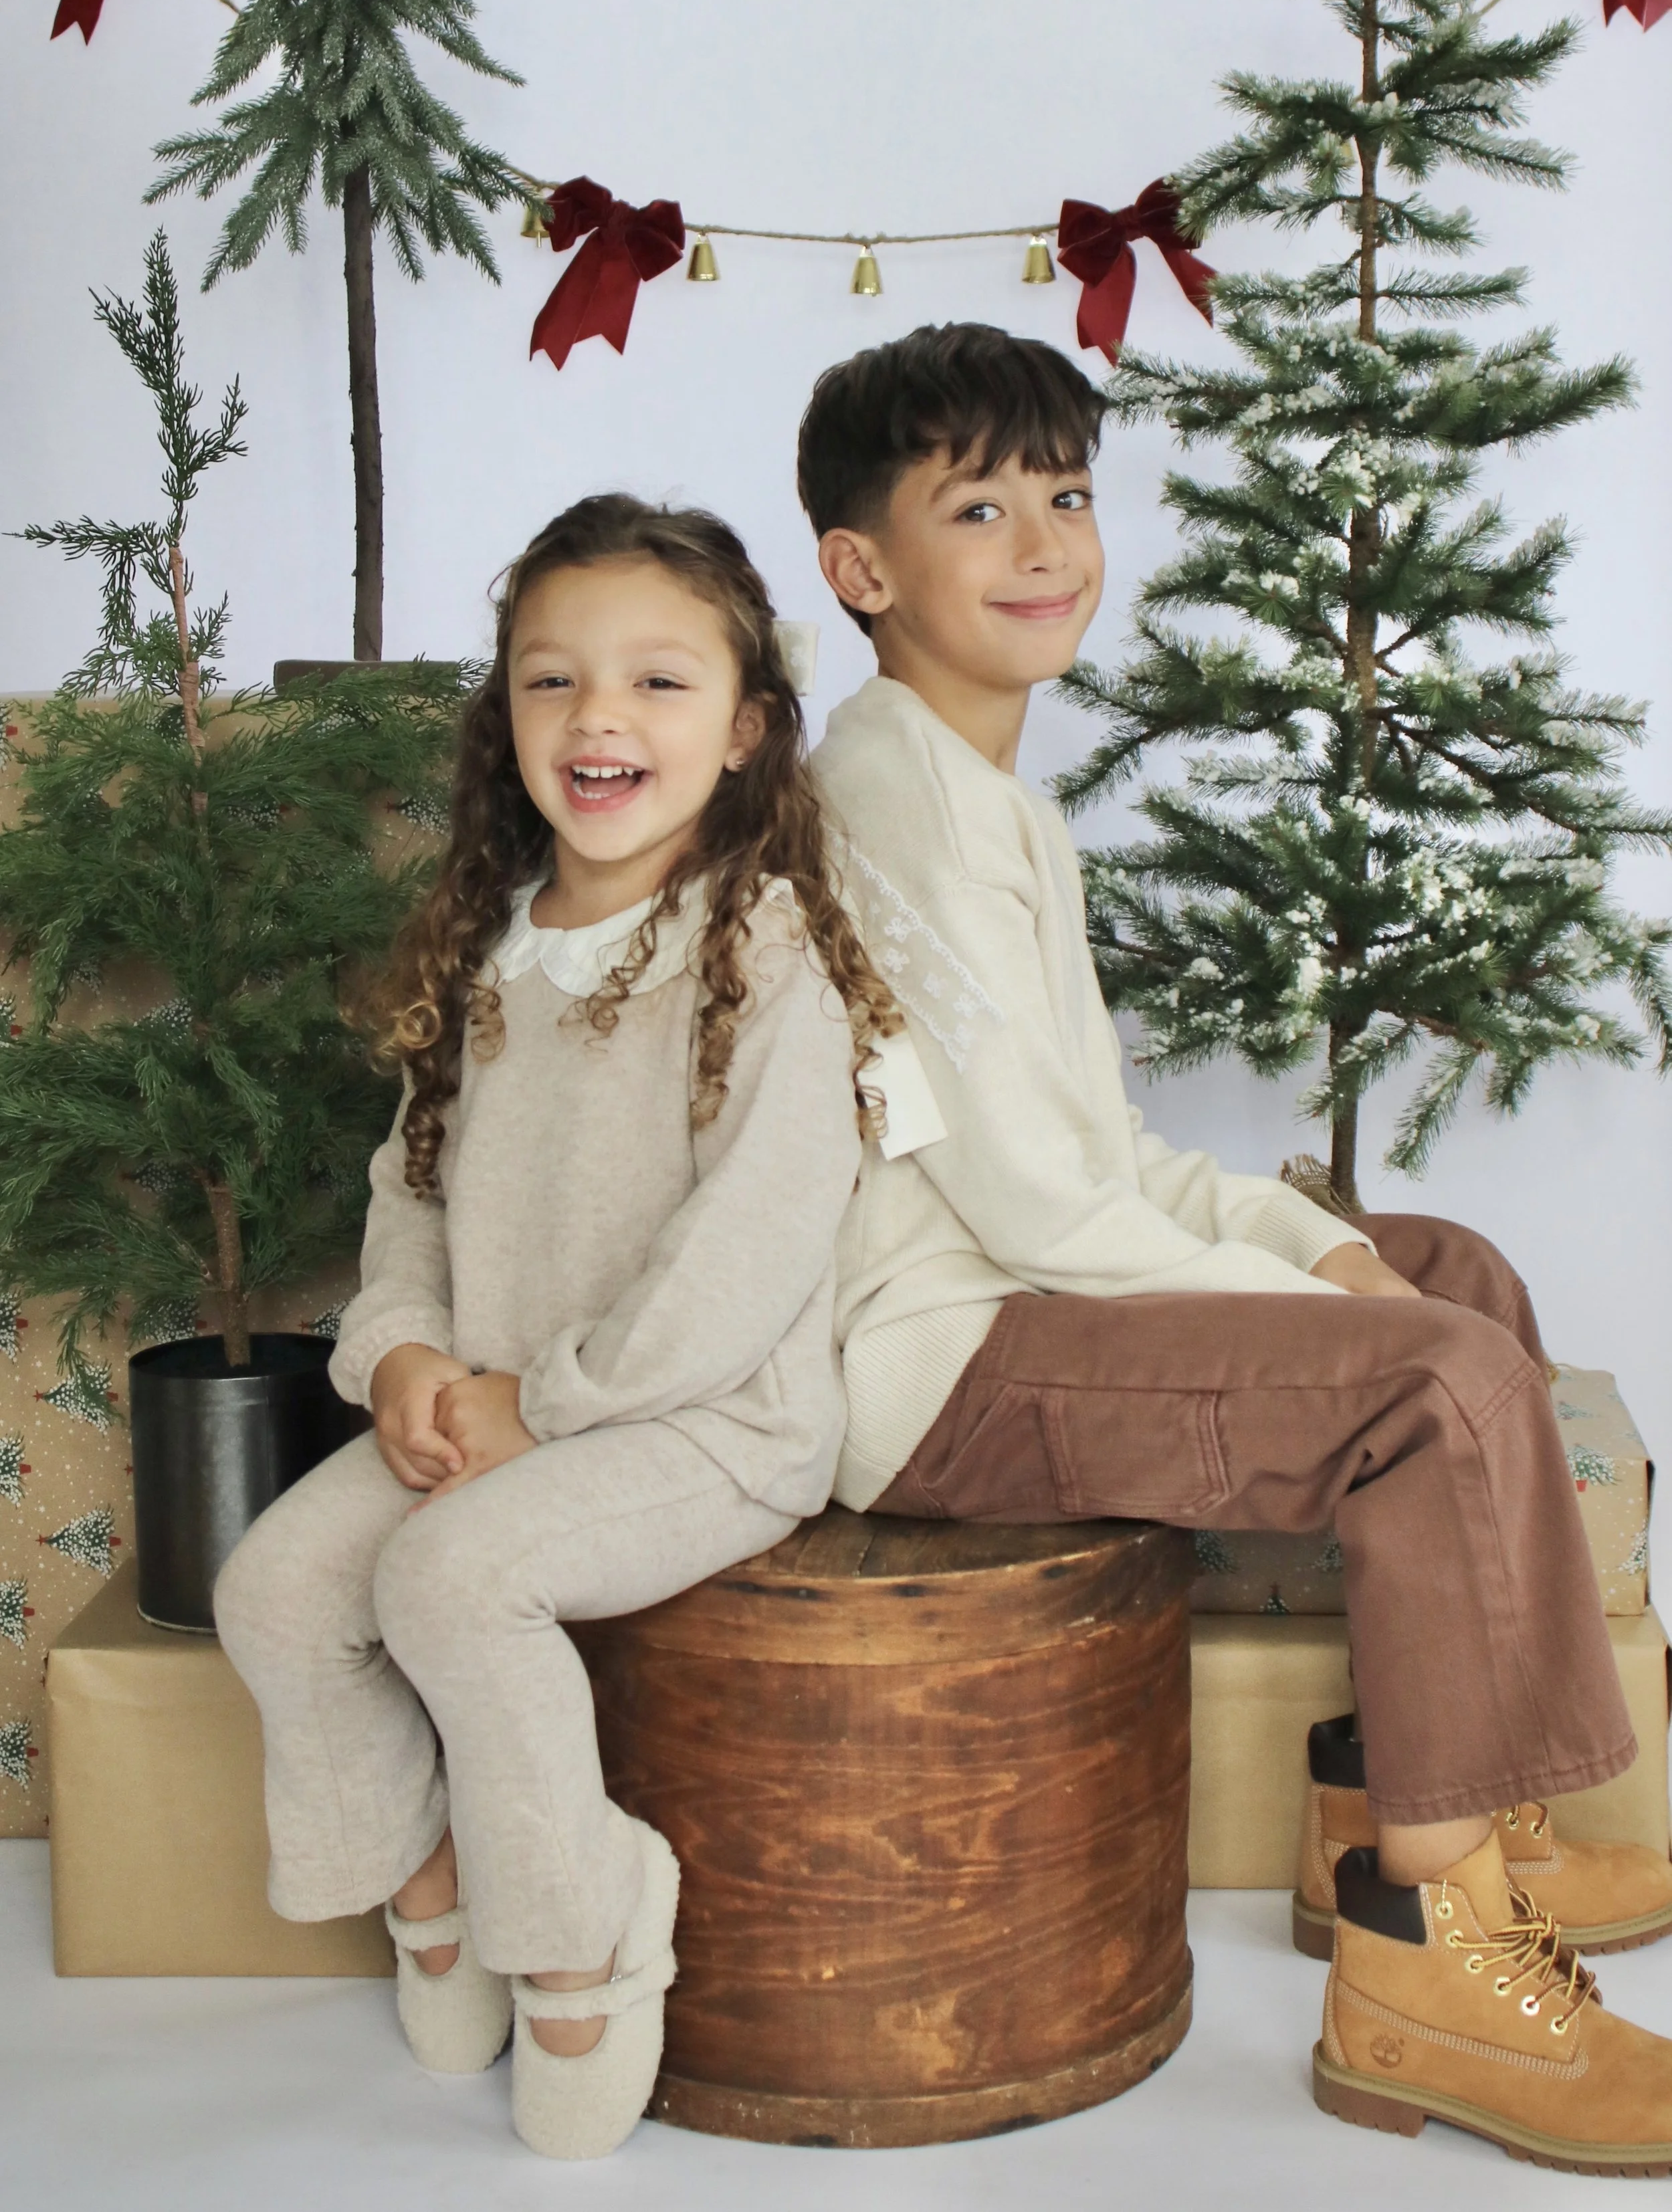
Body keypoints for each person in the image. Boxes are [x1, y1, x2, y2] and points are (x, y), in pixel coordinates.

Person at [800, 320, 1672, 2175]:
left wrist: (1327, 1251)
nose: (1044, 541)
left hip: (1033, 1286)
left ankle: (1411, 1814)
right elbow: (1036, 1211)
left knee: (1451, 1280)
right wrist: (1318, 1297)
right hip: (943, 1351)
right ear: (860, 571)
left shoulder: (996, 796)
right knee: (1432, 1376)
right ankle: (1429, 1979)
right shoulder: (884, 788)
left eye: (1066, 493)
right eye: (979, 504)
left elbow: (1094, 1147)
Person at [215, 495, 898, 2161]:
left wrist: (551, 1403)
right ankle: (425, 1873)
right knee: (280, 1586)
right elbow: (411, 1198)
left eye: (657, 685)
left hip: (697, 1425)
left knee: (450, 1577)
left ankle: (586, 1917)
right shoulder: (490, 949)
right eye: (551, 682)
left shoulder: (772, 956)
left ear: (743, 732)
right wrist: (400, 1359)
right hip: (494, 1400)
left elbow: (740, 1256)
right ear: (505, 719)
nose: (598, 718)